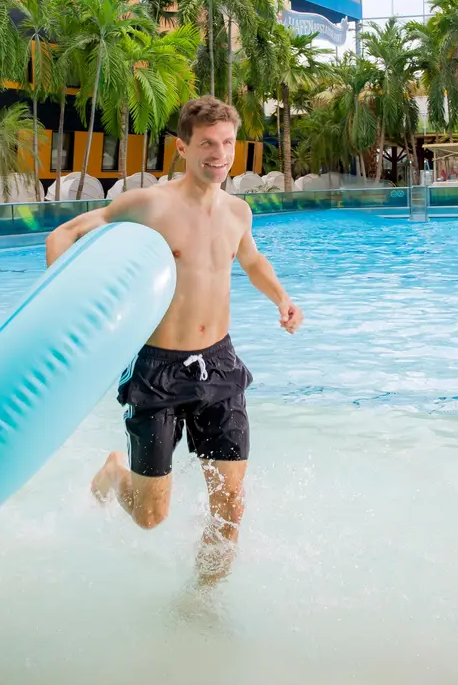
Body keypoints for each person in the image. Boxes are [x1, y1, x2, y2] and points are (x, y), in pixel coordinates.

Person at [44, 96, 303, 584]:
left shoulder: (238, 212)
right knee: (149, 516)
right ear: (182, 147)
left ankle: (200, 607)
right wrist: (64, 308)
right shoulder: (149, 204)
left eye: (227, 143)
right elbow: (65, 234)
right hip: (157, 368)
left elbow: (249, 261)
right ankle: (113, 471)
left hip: (220, 365)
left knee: (229, 509)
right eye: (207, 144)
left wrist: (281, 299)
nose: (220, 154)